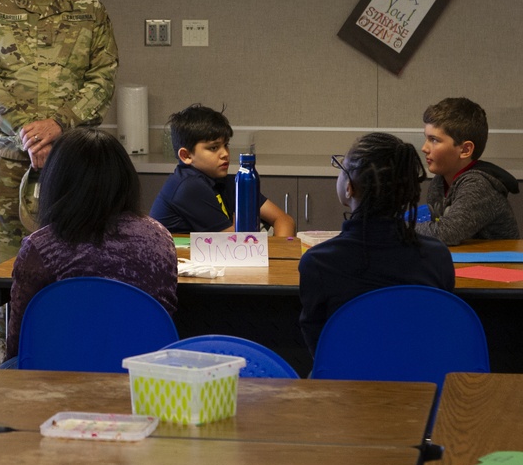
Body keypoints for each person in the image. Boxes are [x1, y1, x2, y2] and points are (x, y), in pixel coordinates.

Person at [0, 0, 119, 358]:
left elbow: (103, 78)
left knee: (70, 268)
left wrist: (58, 126)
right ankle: (7, 365)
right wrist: (27, 134)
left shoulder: (90, 10)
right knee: (3, 276)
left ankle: (66, 365)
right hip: (2, 169)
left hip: (70, 167)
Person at [6, 128, 178, 360]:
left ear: (57, 180)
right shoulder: (160, 237)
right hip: (143, 378)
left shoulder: (40, 247)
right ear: (125, 178)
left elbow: (19, 341)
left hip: (59, 376)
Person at [298, 132, 455, 356]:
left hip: (345, 382)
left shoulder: (318, 261)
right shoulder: (437, 256)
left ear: (349, 187)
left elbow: (319, 345)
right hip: (422, 381)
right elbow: (441, 326)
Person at [149, 104, 295, 235]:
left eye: (226, 145)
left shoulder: (224, 181)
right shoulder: (188, 185)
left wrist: (281, 251)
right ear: (186, 155)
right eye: (213, 148)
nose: (225, 153)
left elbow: (284, 219)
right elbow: (237, 244)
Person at [415, 97, 519, 245]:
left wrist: (393, 227)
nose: (424, 148)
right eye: (426, 138)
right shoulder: (439, 181)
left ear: (465, 150)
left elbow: (447, 233)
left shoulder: (478, 184)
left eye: (434, 140)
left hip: (498, 266)